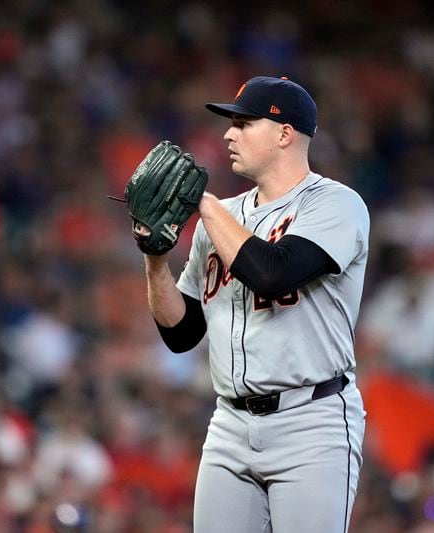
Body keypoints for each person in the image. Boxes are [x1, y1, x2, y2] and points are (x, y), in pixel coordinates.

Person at [142, 76, 370, 532]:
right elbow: (181, 332)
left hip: (312, 423)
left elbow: (273, 273)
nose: (228, 134)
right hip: (229, 424)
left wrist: (204, 207)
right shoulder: (221, 217)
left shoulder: (336, 204)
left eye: (244, 123)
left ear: (285, 134)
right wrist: (154, 260)